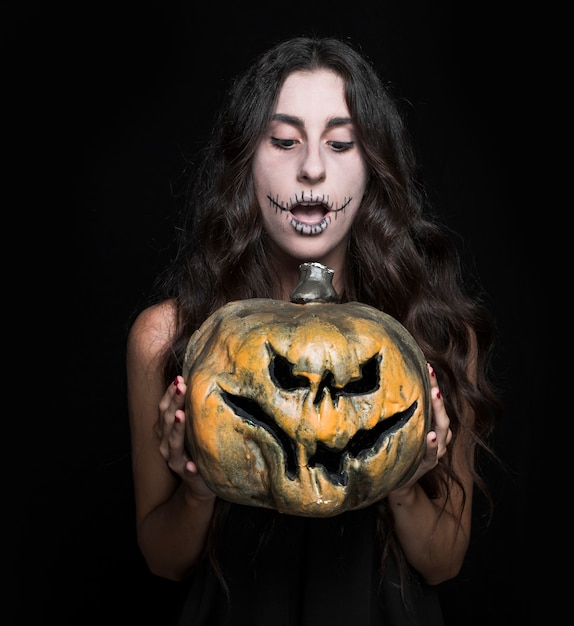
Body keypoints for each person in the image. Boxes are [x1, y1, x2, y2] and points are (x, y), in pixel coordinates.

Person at [126, 35, 502, 625]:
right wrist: (197, 485)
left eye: (341, 142)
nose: (312, 167)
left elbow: (443, 563)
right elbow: (163, 562)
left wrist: (404, 476)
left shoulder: (438, 334)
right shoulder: (167, 336)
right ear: (245, 158)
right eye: (283, 140)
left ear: (373, 164)